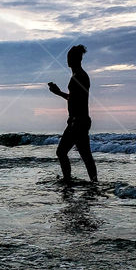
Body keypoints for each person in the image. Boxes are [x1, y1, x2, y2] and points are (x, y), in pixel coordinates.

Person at [47, 45, 98, 183]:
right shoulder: (78, 76)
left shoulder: (79, 77)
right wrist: (59, 93)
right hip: (80, 120)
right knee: (86, 155)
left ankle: (68, 181)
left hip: (77, 121)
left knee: (61, 152)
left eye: (69, 57)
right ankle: (94, 183)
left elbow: (76, 99)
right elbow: (73, 98)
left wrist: (60, 94)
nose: (67, 60)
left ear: (75, 59)